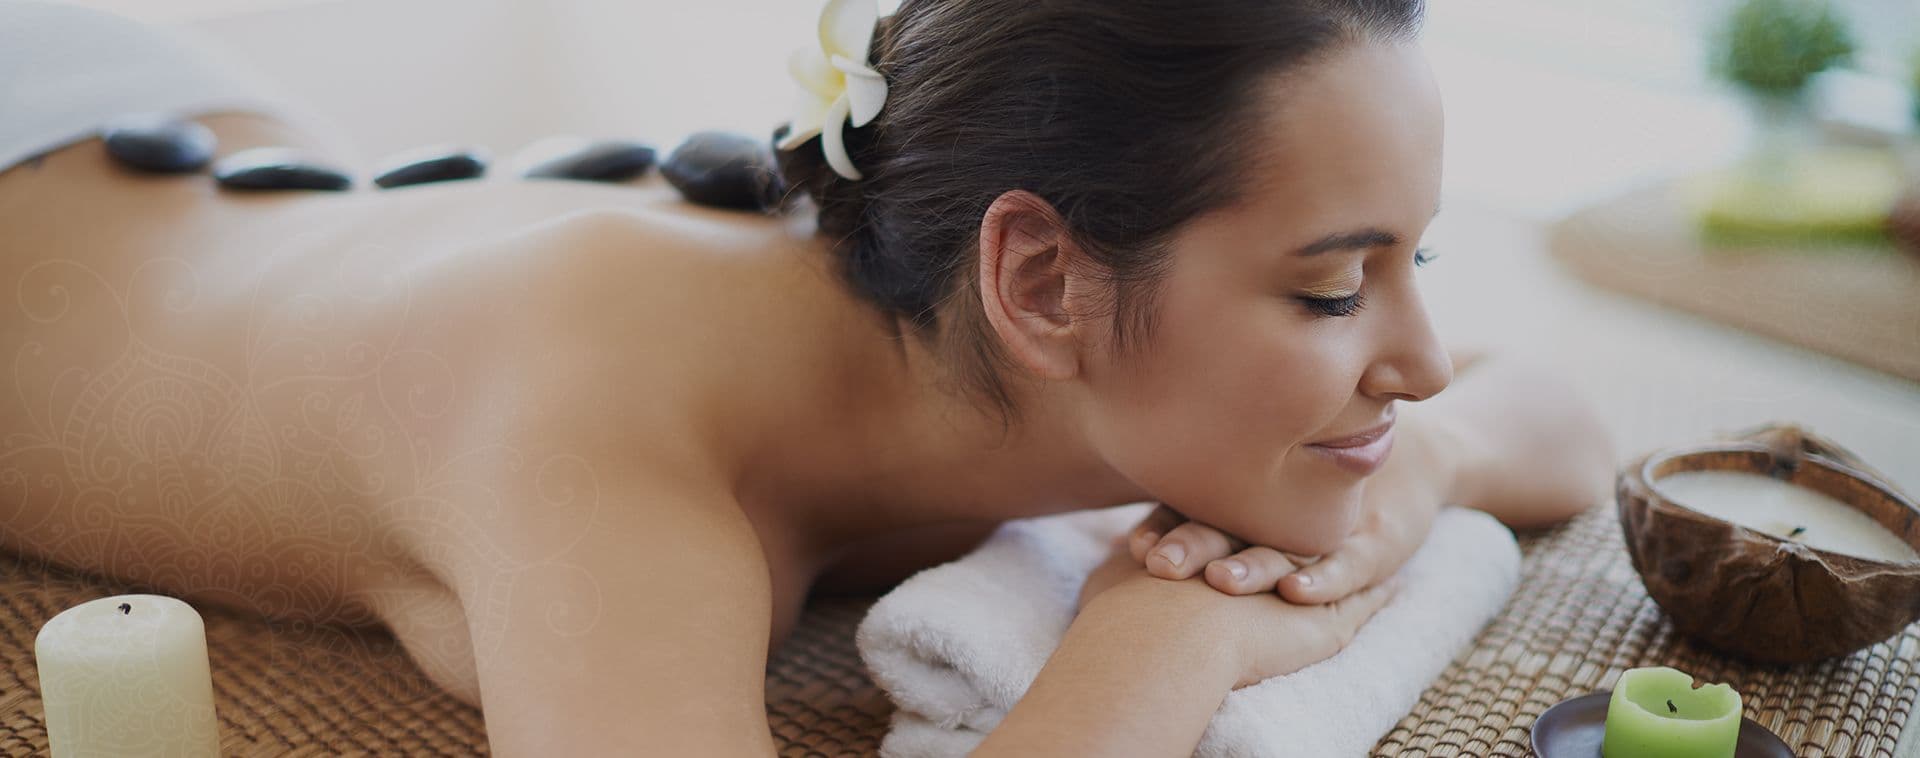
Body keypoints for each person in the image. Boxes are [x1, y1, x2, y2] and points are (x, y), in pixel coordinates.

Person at [0, 0, 1614, 754]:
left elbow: (1552, 416)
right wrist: (1159, 637)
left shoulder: (937, 305)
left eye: (1417, 258)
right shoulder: (611, 437)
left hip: (204, 146)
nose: (1415, 357)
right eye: (1332, 287)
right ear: (1041, 280)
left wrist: (1417, 473)